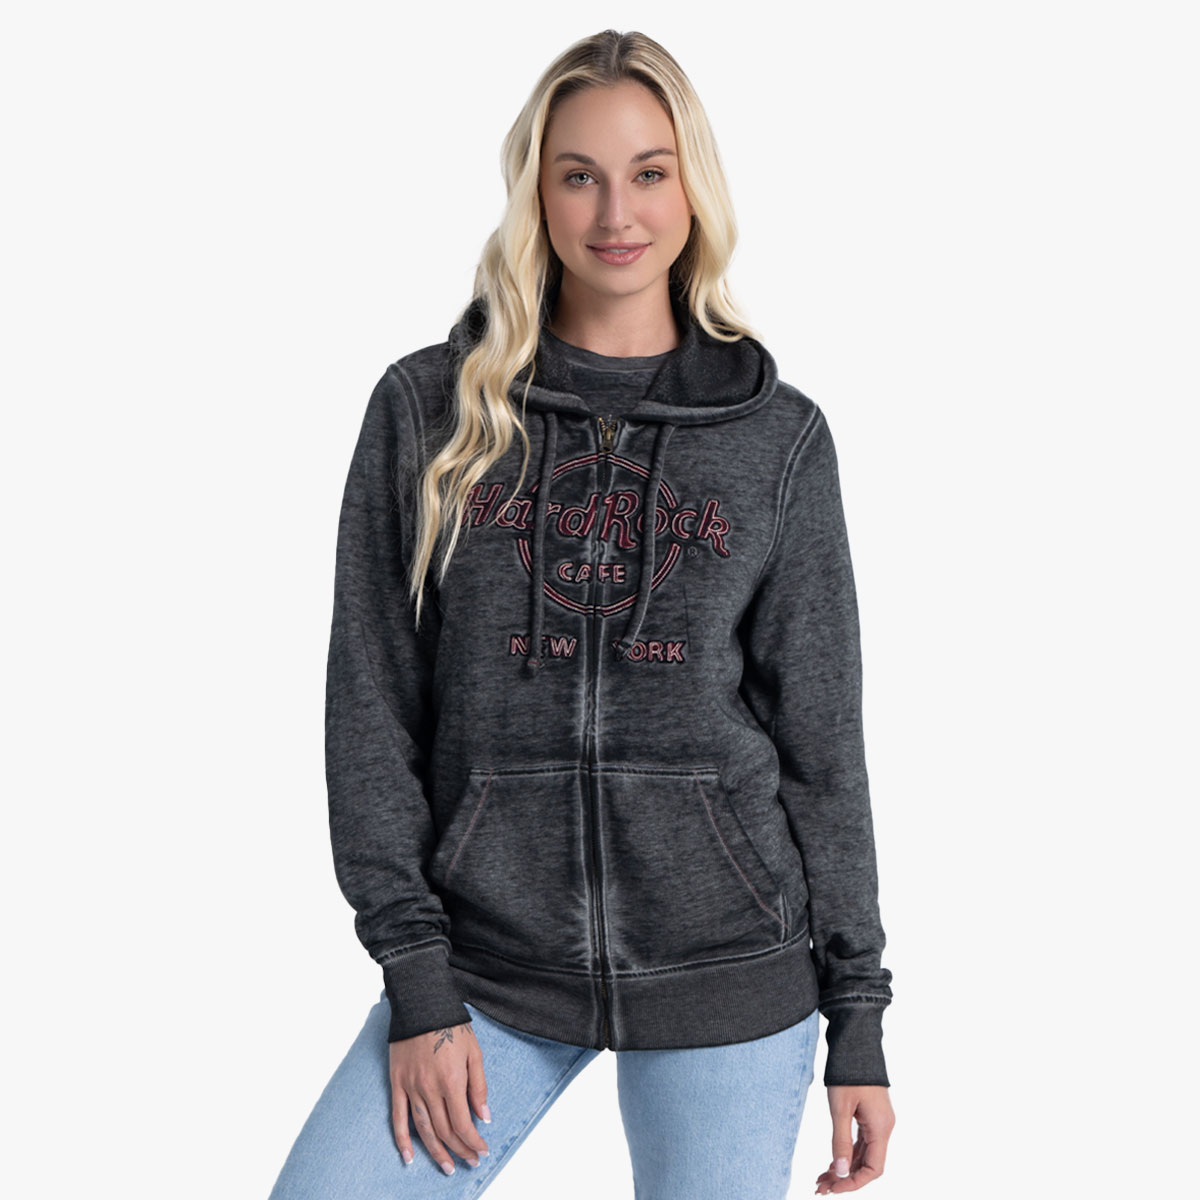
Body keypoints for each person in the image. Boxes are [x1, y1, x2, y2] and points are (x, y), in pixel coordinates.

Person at [269, 28, 896, 1200]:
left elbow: (823, 745)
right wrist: (419, 981)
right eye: (579, 175)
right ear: (535, 192)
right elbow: (371, 710)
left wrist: (857, 1016)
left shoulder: (776, 438)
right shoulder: (430, 411)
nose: (617, 212)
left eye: (649, 172)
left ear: (693, 188)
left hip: (728, 967)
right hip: (488, 967)